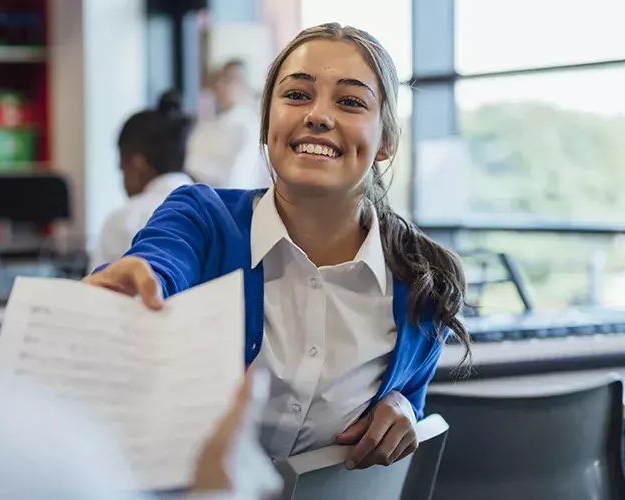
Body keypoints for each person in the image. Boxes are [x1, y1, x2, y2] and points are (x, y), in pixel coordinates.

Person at [84, 22, 471, 469]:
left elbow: (408, 402)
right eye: (297, 95)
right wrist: (137, 280)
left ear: (385, 141)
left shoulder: (422, 283)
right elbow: (160, 261)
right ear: (268, 123)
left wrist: (406, 411)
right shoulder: (202, 216)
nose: (318, 116)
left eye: (349, 101)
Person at [95, 90, 196, 267]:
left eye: (122, 169)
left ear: (137, 165)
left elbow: (94, 291)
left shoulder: (125, 221)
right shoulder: (214, 213)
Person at [185, 59, 271, 190]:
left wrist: (191, 164)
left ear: (245, 85)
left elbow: (234, 177)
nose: (222, 85)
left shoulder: (248, 126)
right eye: (221, 79)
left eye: (230, 79)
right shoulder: (211, 123)